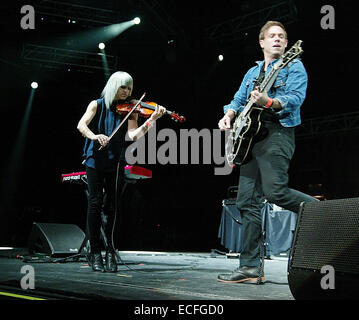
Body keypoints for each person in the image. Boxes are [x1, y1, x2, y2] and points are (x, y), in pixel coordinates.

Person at [217, 21, 317, 283]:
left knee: (275, 192)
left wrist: (270, 102)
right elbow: (239, 99)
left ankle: (322, 212)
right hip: (250, 138)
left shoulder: (293, 65)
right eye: (272, 36)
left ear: (287, 44)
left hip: (278, 133)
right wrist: (229, 115)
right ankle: (249, 267)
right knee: (246, 201)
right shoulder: (252, 72)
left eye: (282, 36)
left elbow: (295, 98)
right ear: (261, 42)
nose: (277, 39)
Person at [77, 71, 166, 272]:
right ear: (113, 86)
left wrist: (151, 120)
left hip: (115, 161)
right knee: (95, 203)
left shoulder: (131, 110)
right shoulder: (96, 105)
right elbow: (81, 125)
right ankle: (95, 252)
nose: (126, 92)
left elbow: (133, 135)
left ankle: (110, 250)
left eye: (129, 88)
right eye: (123, 87)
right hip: (94, 160)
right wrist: (95, 136)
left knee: (112, 207)